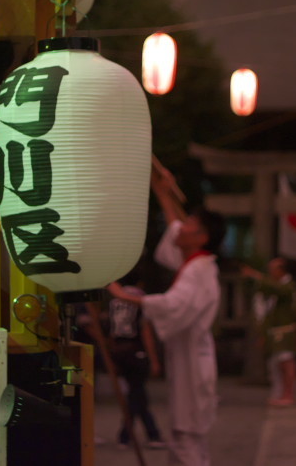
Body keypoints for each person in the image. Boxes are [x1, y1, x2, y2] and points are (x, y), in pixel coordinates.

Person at [107, 162, 225, 466]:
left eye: (191, 226)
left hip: (192, 361)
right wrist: (162, 190)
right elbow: (176, 228)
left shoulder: (199, 271)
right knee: (187, 436)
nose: (182, 227)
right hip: (189, 357)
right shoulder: (196, 263)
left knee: (186, 436)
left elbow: (174, 304)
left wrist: (126, 298)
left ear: (201, 238)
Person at [107, 272, 166, 450]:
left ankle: (144, 433)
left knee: (136, 393)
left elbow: (111, 328)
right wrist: (154, 359)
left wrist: (111, 354)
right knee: (137, 393)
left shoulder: (114, 302)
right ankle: (132, 434)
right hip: (136, 350)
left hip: (119, 349)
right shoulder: (139, 299)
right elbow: (145, 330)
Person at [242, 256, 296, 406]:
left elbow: (279, 290)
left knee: (286, 362)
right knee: (275, 364)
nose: (270, 272)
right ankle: (280, 393)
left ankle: (289, 394)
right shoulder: (275, 287)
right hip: (275, 330)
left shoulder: (288, 286)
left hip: (286, 330)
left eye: (273, 269)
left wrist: (256, 275)